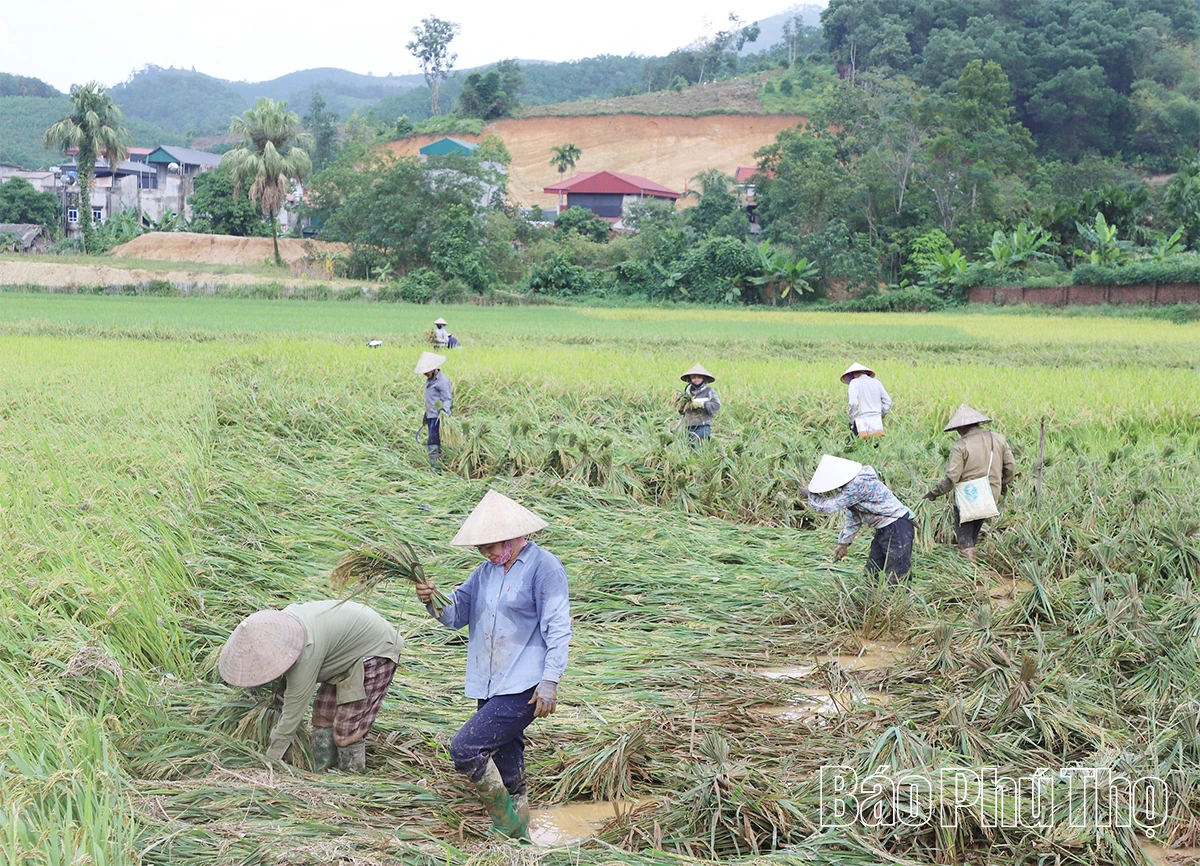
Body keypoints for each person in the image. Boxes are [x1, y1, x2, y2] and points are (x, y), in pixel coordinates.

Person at [414, 490, 571, 841]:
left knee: (466, 748)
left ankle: (506, 824)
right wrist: (432, 599)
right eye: (481, 549)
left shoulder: (544, 567)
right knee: (506, 757)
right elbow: (455, 615)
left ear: (513, 536)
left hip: (525, 684)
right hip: (489, 682)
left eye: (491, 546)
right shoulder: (483, 574)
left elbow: (558, 627)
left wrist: (550, 680)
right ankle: (520, 837)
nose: (487, 554)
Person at [218, 601, 403, 773]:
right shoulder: (282, 628)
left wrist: (270, 760)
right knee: (323, 714)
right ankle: (321, 771)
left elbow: (292, 716)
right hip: (345, 645)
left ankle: (350, 779)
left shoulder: (305, 655)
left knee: (347, 729)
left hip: (376, 650)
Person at [923, 404, 1015, 564]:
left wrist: (935, 493)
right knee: (973, 533)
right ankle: (972, 563)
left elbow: (952, 477)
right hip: (990, 495)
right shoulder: (998, 439)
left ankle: (968, 572)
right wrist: (1002, 485)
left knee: (965, 538)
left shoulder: (961, 446)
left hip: (968, 497)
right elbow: (1010, 467)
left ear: (961, 428)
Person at [801, 454, 915, 585]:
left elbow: (829, 506)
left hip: (897, 526)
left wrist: (811, 496)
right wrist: (843, 544)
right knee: (872, 569)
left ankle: (898, 597)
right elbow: (853, 519)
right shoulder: (851, 490)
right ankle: (870, 595)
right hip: (884, 529)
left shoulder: (857, 484)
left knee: (897, 572)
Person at [415, 351, 452, 468]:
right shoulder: (430, 380)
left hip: (439, 417)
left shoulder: (442, 381)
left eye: (427, 371)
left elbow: (447, 399)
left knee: (433, 441)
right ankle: (439, 463)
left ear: (434, 369)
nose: (425, 374)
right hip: (431, 415)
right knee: (435, 440)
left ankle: (436, 468)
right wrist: (427, 414)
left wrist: (443, 412)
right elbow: (431, 399)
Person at [841, 363, 892, 438]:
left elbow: (854, 403)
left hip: (861, 421)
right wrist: (880, 415)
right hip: (877, 422)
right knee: (875, 443)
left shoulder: (854, 383)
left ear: (853, 374)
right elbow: (888, 402)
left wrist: (852, 419)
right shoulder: (877, 382)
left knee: (856, 443)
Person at [678, 364, 721, 441]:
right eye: (693, 377)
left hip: (703, 425)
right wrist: (684, 406)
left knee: (699, 443)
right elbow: (681, 411)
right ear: (690, 379)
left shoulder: (709, 391)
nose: (696, 379)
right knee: (688, 445)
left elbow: (716, 406)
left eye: (699, 377)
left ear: (704, 378)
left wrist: (702, 404)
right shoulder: (687, 393)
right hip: (688, 426)